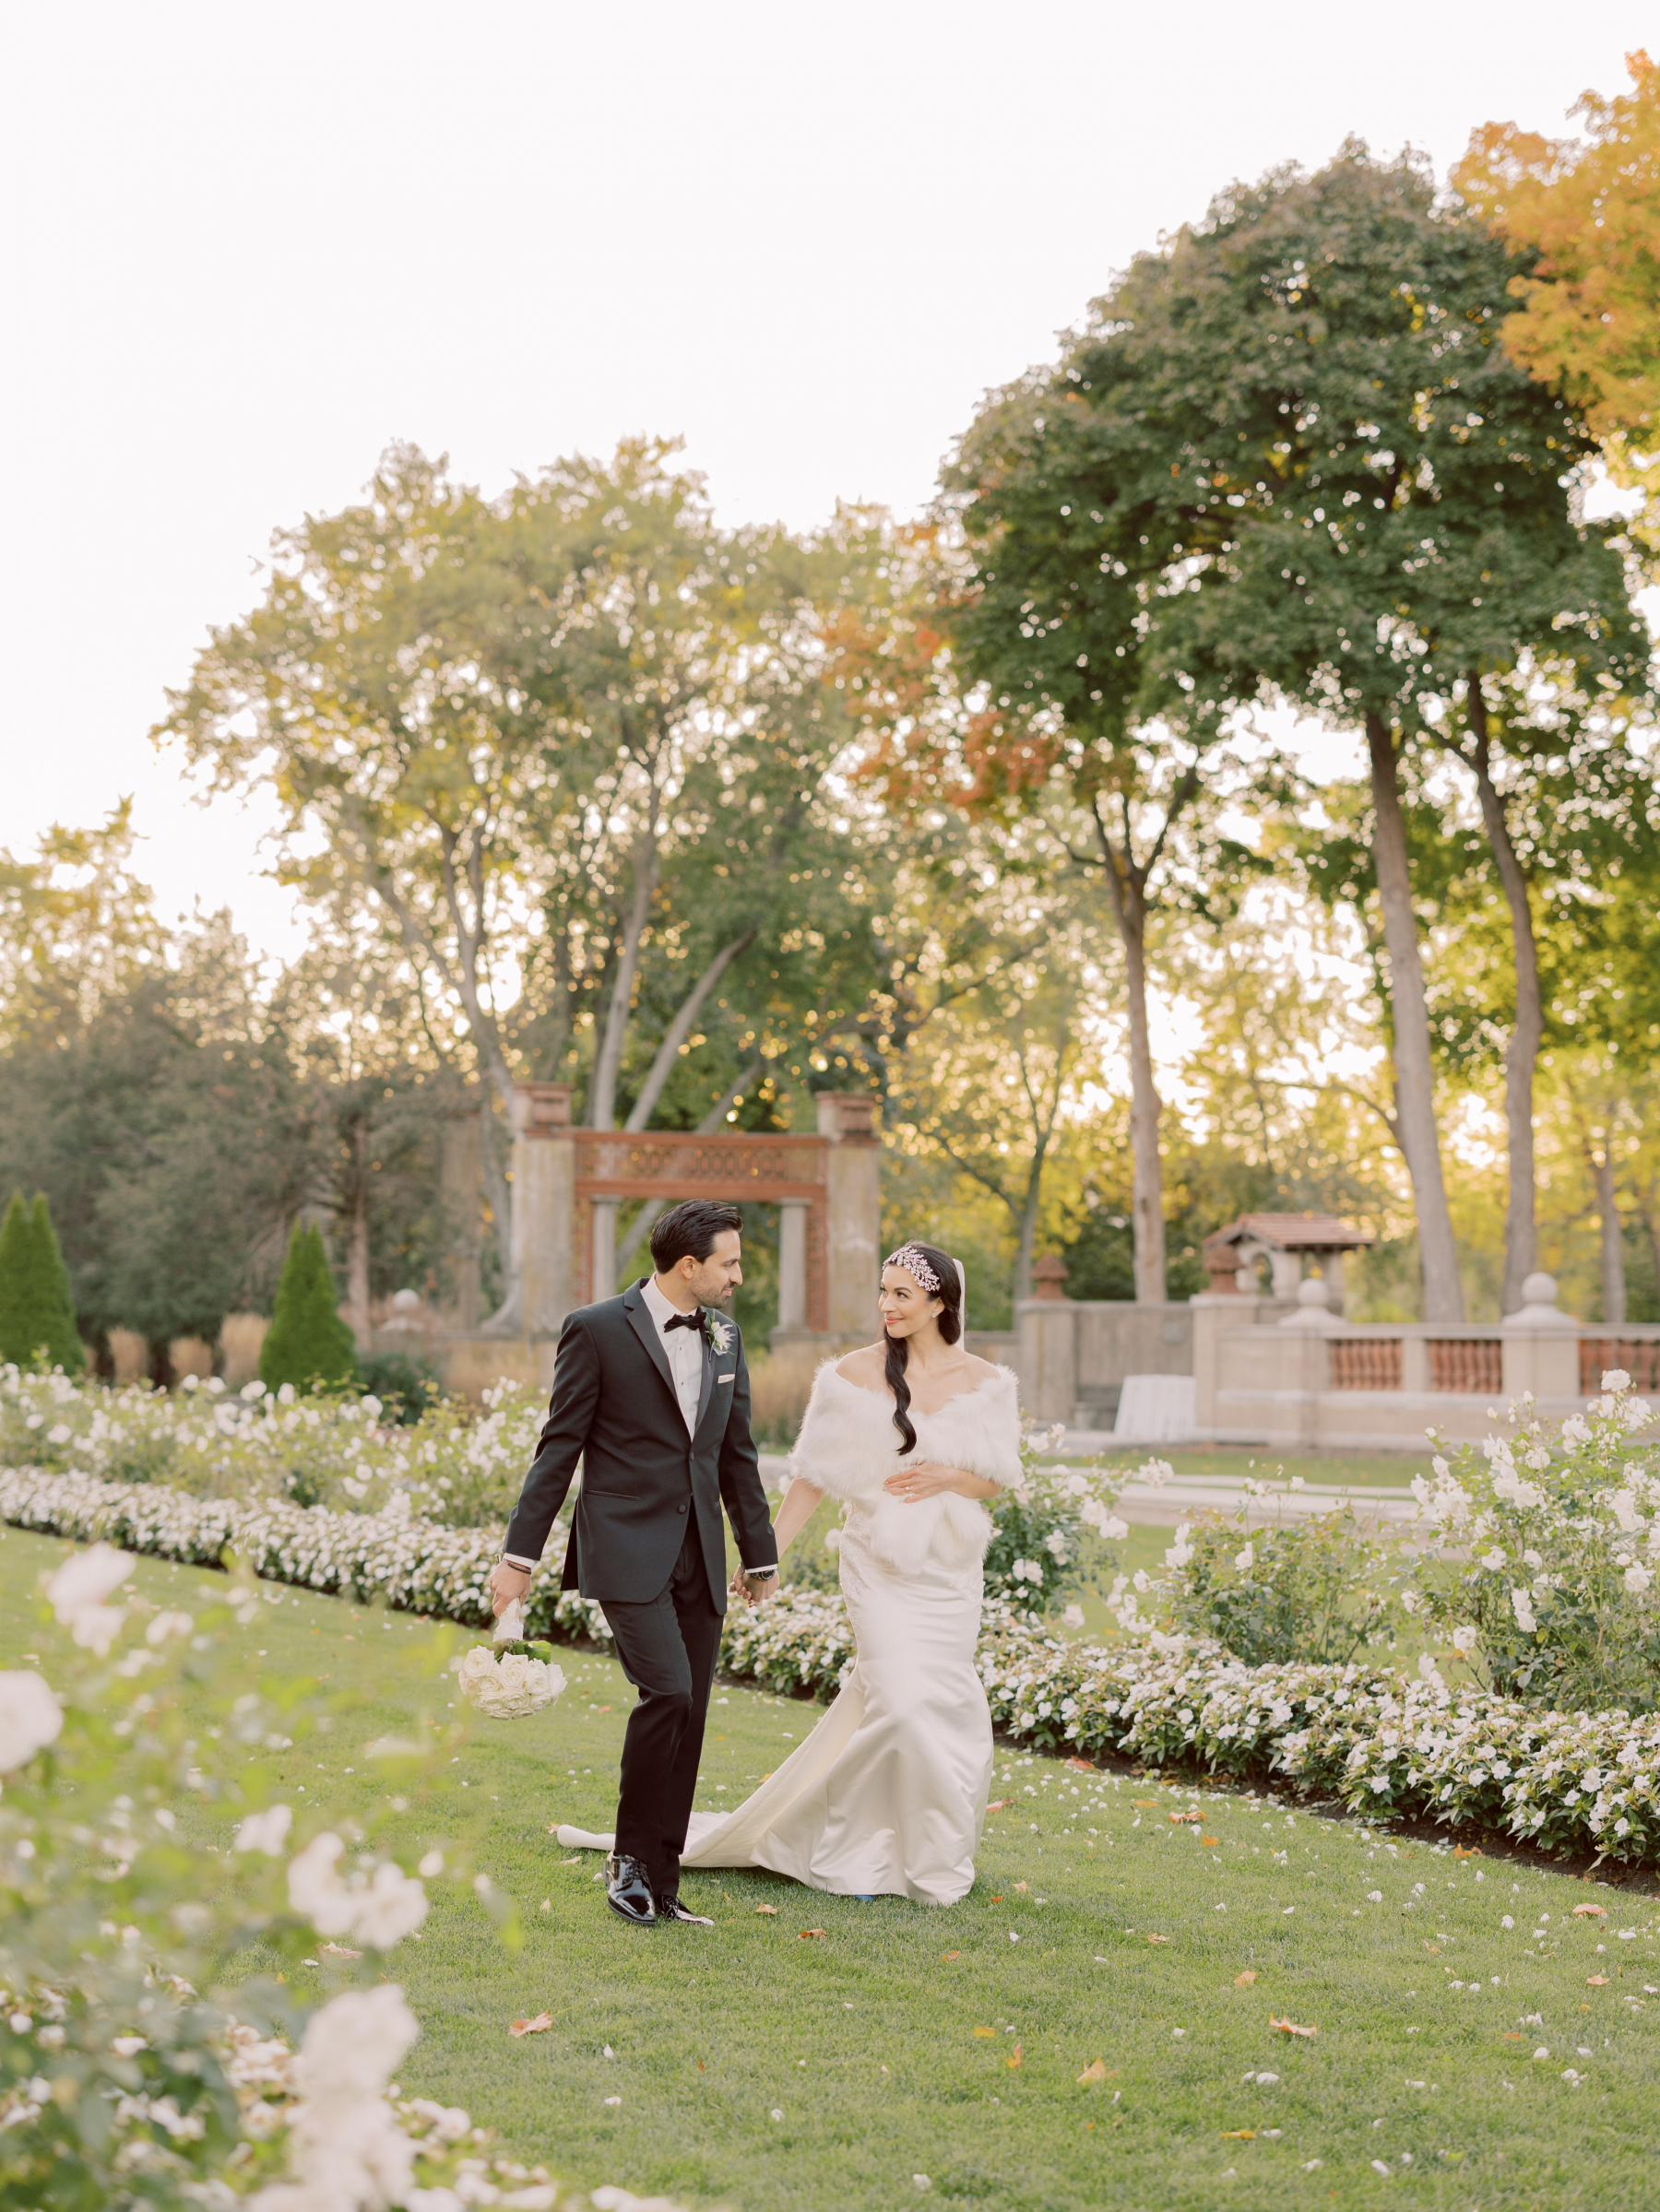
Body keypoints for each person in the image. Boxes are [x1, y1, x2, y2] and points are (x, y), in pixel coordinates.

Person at [553, 1241, 1020, 1905]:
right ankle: (840, 1841)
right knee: (904, 1704)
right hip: (879, 1567)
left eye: (901, 1295)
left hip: (949, 1573)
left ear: (940, 1302)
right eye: (882, 1292)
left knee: (948, 1709)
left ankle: (924, 1855)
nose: (886, 1306)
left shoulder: (986, 1381)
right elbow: (811, 1477)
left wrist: (949, 1474)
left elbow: (997, 1477)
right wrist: (763, 1553)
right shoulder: (853, 1375)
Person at [487, 1199, 779, 1929]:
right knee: (670, 1694)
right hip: (625, 1547)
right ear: (689, 1265)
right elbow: (558, 1449)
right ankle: (628, 1861)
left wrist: (760, 1554)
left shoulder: (726, 1338)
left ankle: (665, 1875)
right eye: (730, 1262)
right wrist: (517, 1559)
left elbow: (734, 1453)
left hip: (701, 1558)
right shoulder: (595, 1330)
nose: (738, 1276)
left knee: (693, 1716)